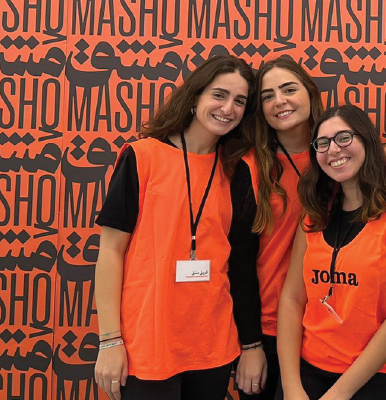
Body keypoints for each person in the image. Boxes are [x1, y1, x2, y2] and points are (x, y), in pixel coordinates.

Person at [94, 55, 263, 400]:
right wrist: (109, 340)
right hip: (147, 345)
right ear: (195, 96)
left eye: (240, 101)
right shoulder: (142, 157)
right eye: (219, 95)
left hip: (213, 348)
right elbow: (110, 251)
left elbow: (241, 266)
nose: (228, 108)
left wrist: (251, 344)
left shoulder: (237, 171)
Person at [277, 105, 386, 400]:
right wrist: (292, 387)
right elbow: (292, 299)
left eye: (344, 138)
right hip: (310, 367)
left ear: (367, 141)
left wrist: (338, 395)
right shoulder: (315, 211)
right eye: (322, 143)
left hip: (380, 372)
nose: (333, 149)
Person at [229, 56, 324, 399]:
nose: (279, 101)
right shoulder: (250, 167)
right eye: (268, 96)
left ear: (310, 93)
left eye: (288, 89)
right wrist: (250, 344)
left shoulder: (338, 157)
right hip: (267, 327)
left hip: (328, 326)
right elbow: (238, 262)